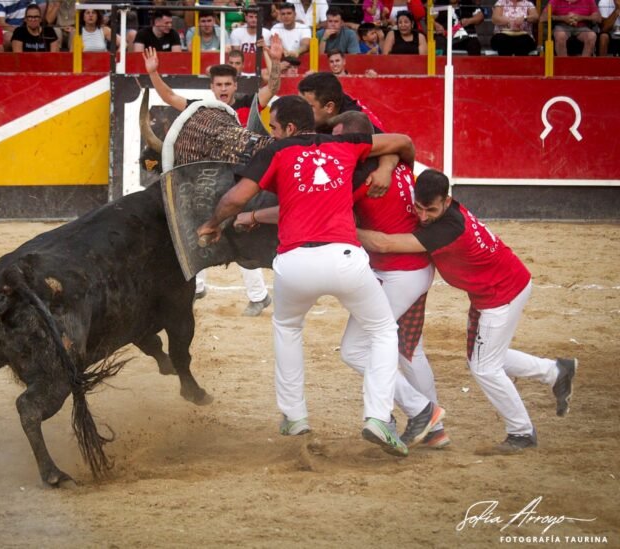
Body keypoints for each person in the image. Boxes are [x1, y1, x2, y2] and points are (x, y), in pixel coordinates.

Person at [196, 96, 418, 456]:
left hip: (294, 262)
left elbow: (236, 198)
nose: (271, 134)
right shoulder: (346, 144)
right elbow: (403, 141)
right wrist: (388, 165)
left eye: (274, 127)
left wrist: (212, 222)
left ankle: (295, 416)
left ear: (289, 128)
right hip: (345, 258)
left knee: (287, 327)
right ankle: (378, 416)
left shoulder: (276, 151)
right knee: (381, 331)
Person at [357, 169, 577, 454]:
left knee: (485, 367)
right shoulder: (444, 216)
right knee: (486, 358)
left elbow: (383, 244)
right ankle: (554, 371)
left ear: (447, 202)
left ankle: (521, 431)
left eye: (431, 210)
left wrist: (342, 228)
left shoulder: (447, 228)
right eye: (419, 208)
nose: (423, 216)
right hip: (495, 289)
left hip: (501, 294)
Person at [333, 111, 449, 448]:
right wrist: (388, 161)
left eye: (339, 141)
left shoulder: (360, 180)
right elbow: (400, 145)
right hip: (413, 270)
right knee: (409, 349)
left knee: (355, 350)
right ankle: (435, 430)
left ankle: (422, 410)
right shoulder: (396, 163)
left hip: (399, 274)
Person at [144, 36, 283, 315]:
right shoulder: (202, 109)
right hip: (213, 181)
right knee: (197, 225)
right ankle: (199, 287)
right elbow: (169, 97)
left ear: (235, 85)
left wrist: (276, 61)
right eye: (219, 84)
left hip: (245, 183)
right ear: (212, 87)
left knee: (240, 234)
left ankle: (257, 295)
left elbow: (274, 86)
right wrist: (153, 73)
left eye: (228, 84)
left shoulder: (249, 104)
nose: (223, 89)